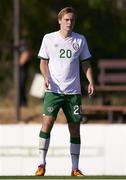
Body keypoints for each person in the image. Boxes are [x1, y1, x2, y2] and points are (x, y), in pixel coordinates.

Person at [35, 7, 94, 176]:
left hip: (73, 93)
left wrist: (90, 80)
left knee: (75, 128)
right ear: (60, 21)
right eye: (66, 19)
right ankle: (41, 164)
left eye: (72, 20)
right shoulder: (49, 38)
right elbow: (43, 63)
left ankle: (75, 168)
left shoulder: (80, 40)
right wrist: (46, 77)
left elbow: (86, 63)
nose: (69, 23)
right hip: (53, 91)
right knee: (47, 124)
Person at [19, 39, 31, 106]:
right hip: (21, 73)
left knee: (21, 87)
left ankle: (23, 103)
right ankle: (22, 103)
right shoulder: (23, 53)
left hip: (23, 73)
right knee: (20, 88)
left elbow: (21, 63)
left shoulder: (26, 52)